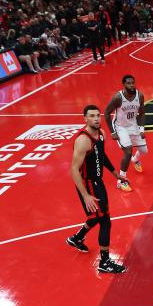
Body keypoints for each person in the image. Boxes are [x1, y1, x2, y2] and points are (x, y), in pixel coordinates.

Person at [66, 105, 128, 273]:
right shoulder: (83, 140)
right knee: (105, 220)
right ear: (85, 119)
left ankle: (76, 238)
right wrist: (86, 195)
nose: (96, 119)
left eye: (97, 116)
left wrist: (116, 174)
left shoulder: (101, 134)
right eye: (91, 116)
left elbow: (102, 156)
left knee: (97, 215)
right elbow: (73, 170)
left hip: (98, 182)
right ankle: (105, 262)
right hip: (88, 184)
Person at [104, 75, 146, 192]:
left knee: (144, 151)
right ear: (124, 84)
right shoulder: (118, 97)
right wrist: (112, 132)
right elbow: (106, 113)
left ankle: (135, 160)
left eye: (133, 83)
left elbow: (142, 112)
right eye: (128, 83)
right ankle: (121, 181)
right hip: (120, 127)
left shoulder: (140, 95)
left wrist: (141, 129)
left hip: (133, 125)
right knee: (128, 151)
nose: (131, 85)